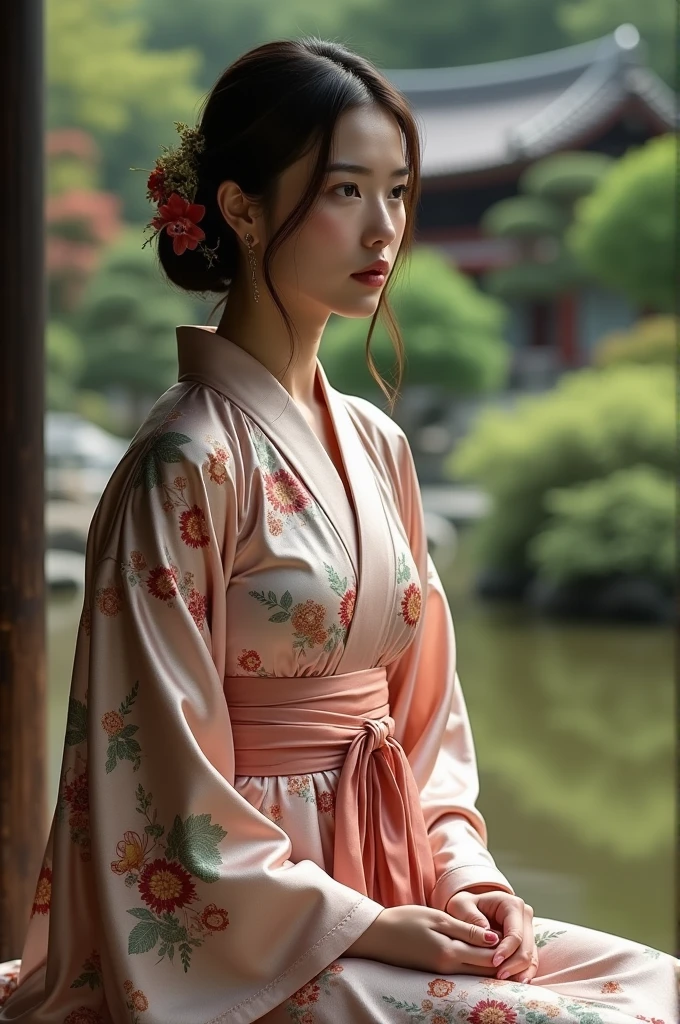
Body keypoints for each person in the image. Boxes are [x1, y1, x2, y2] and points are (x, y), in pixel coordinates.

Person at [1, 36, 677, 1024]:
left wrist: (466, 876)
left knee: (655, 984)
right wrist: (360, 924)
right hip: (251, 927)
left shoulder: (377, 444)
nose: (385, 229)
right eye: (344, 191)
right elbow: (154, 775)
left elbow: (425, 721)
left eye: (397, 192)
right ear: (239, 207)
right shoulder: (184, 461)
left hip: (396, 869)